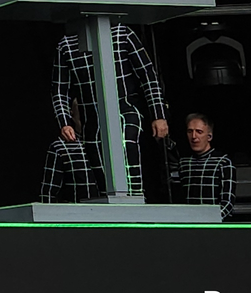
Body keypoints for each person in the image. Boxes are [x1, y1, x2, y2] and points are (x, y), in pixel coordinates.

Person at [38, 24, 170, 203]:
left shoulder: (122, 34)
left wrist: (158, 114)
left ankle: (136, 203)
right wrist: (64, 122)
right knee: (103, 177)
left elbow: (148, 76)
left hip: (126, 111)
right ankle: (114, 211)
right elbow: (60, 90)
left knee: (128, 150)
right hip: (92, 121)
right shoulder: (66, 46)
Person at [169, 111, 235, 220]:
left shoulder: (223, 162)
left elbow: (228, 203)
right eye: (190, 131)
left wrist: (211, 220)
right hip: (188, 222)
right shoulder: (184, 162)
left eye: (199, 132)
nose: (193, 136)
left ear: (209, 136)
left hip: (213, 223)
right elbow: (178, 199)